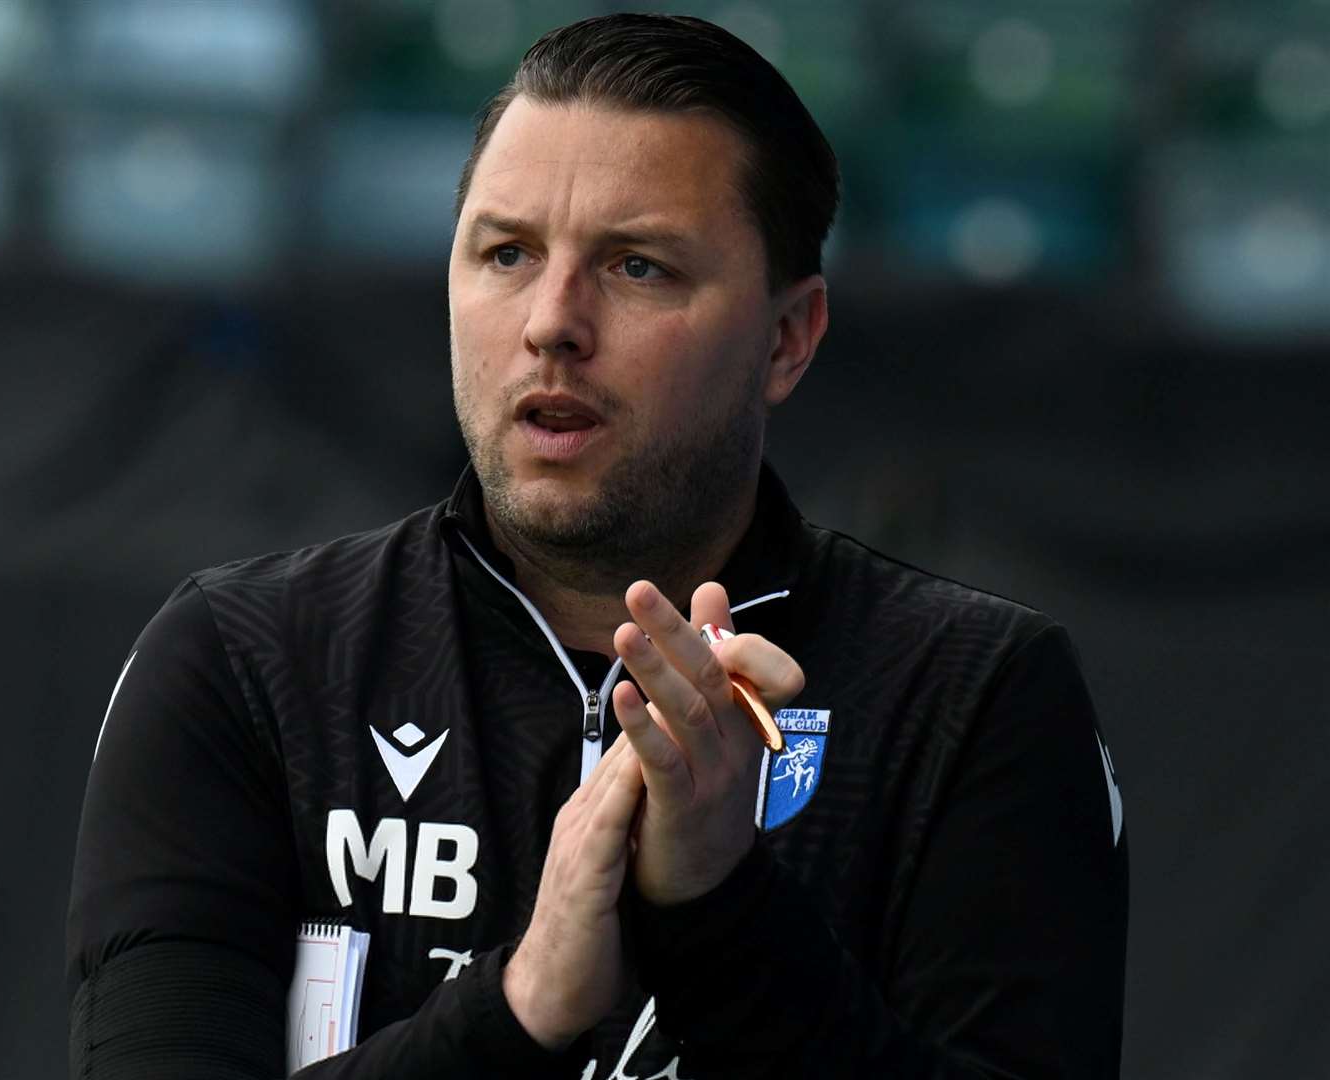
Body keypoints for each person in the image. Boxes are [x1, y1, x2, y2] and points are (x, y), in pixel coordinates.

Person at [66, 13, 1128, 1078]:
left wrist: (719, 909)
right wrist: (519, 1007)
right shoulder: (249, 661)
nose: (550, 322)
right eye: (507, 253)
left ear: (786, 339)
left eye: (637, 266)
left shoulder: (971, 695)